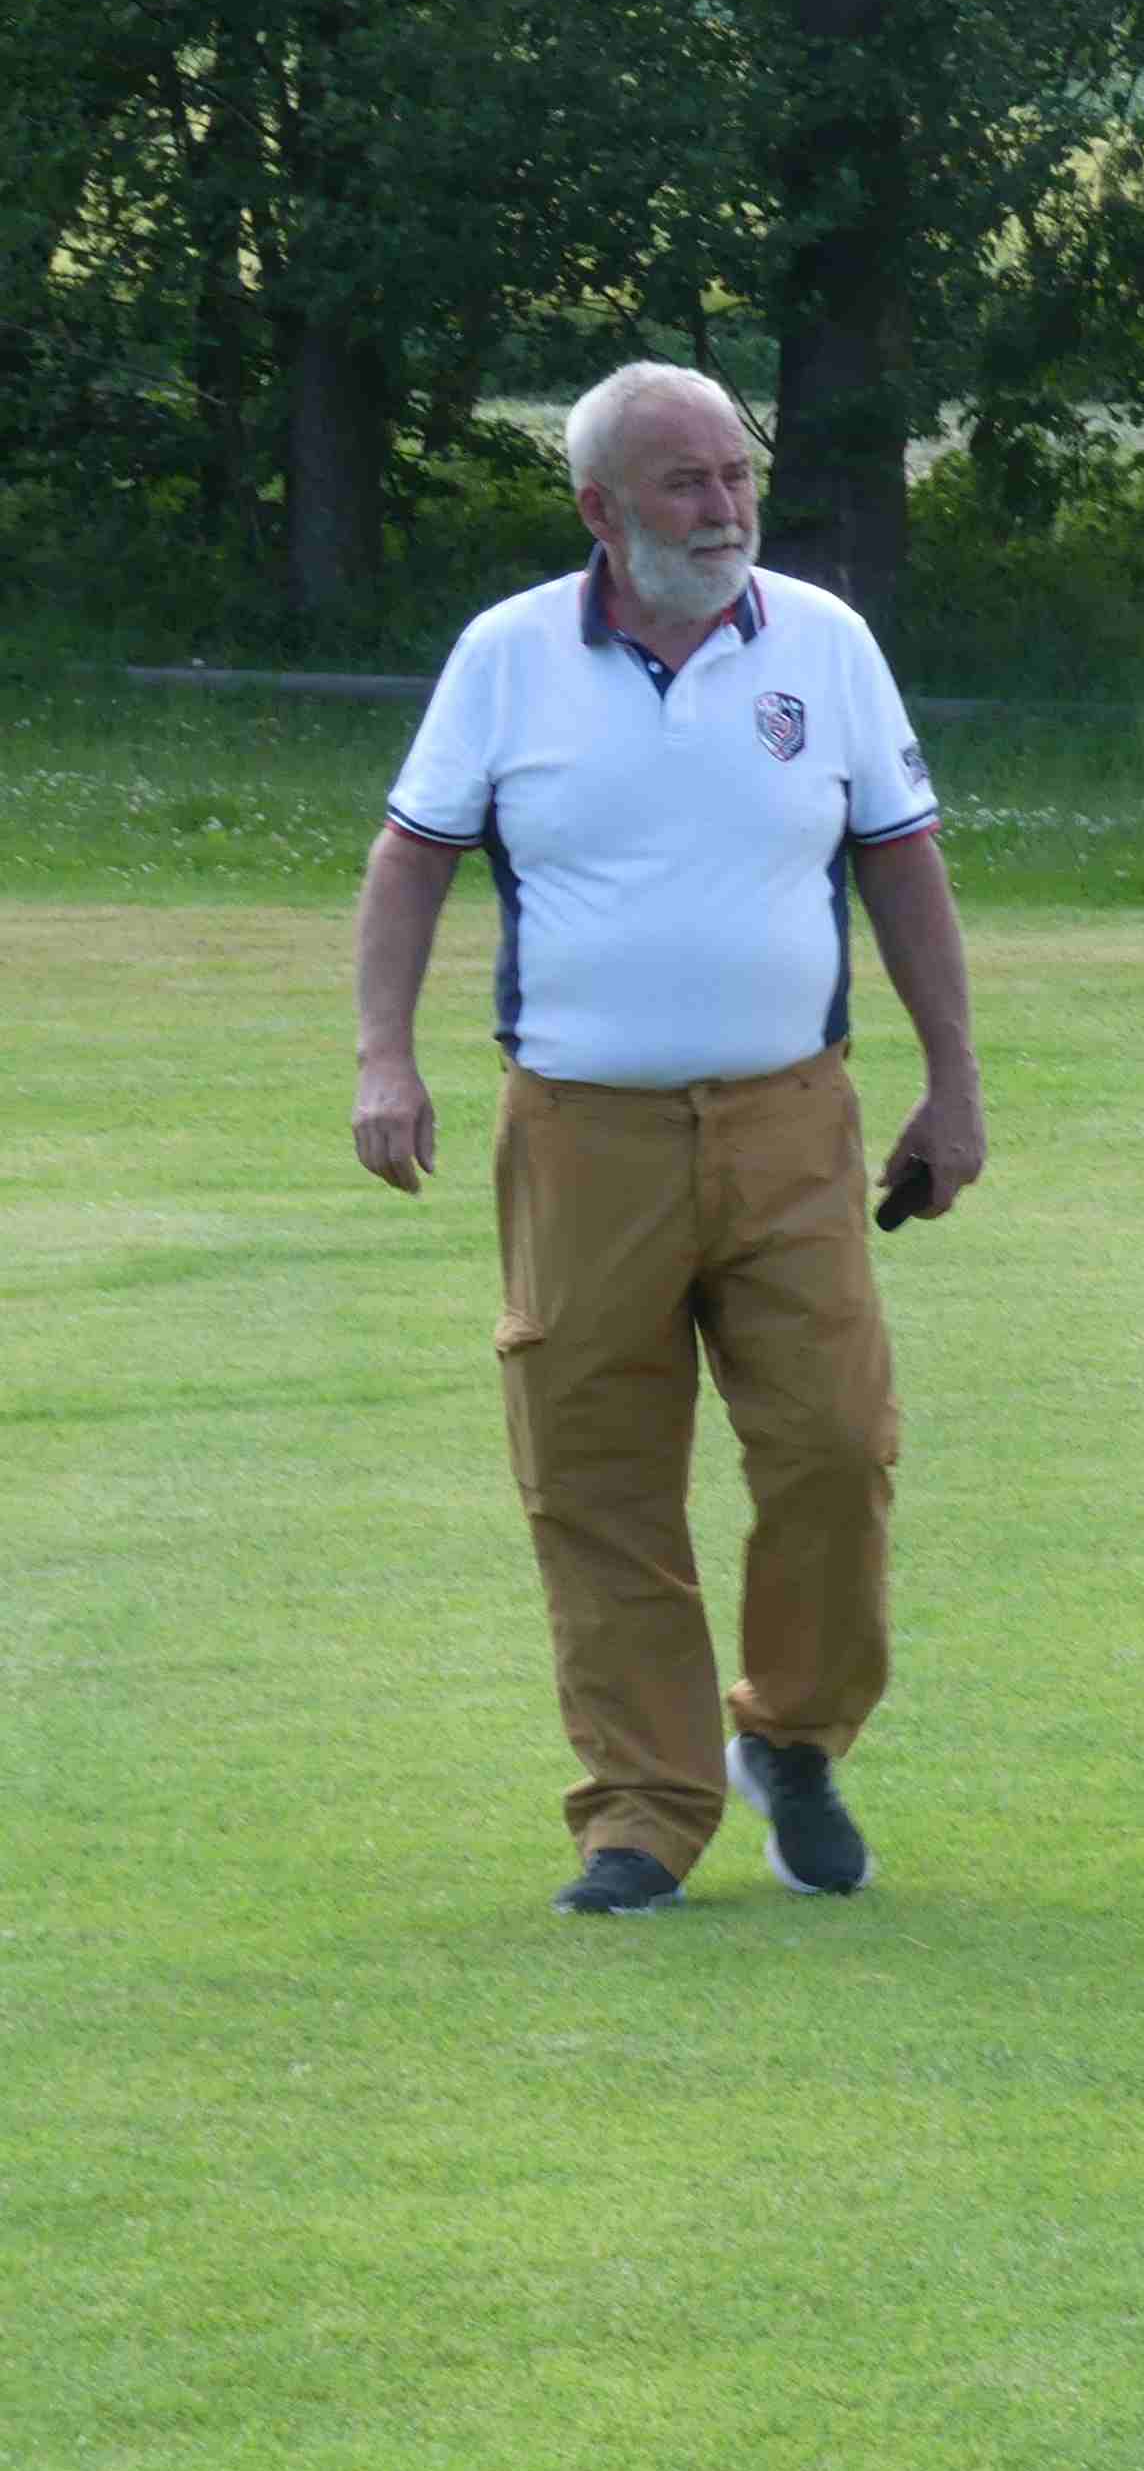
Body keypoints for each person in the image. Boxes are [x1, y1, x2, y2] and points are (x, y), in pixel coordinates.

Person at [348, 359, 985, 1916]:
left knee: (836, 1447)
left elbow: (902, 864)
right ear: (600, 509)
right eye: (686, 482)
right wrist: (385, 1056)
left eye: (736, 474)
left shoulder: (824, 643)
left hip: (793, 1124)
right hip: (581, 1135)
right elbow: (411, 857)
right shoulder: (507, 656)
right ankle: (642, 1810)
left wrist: (953, 1082)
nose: (725, 507)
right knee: (597, 1479)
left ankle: (796, 1737)